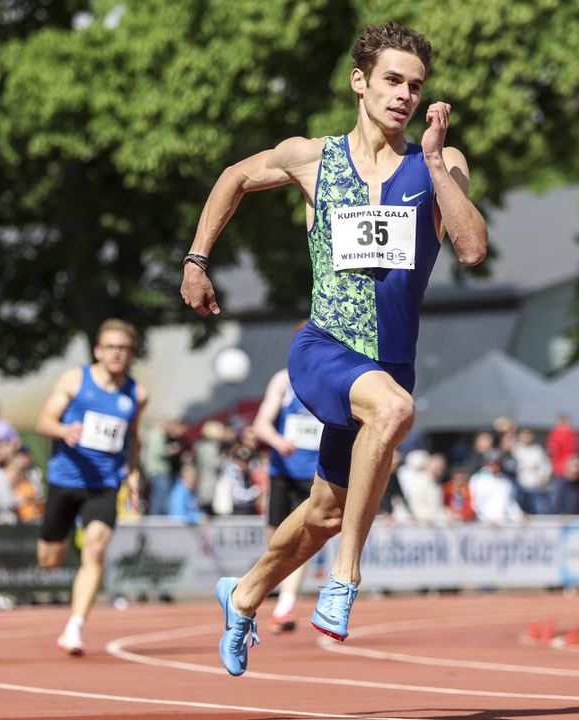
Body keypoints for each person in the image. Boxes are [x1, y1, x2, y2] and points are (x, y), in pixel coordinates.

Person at [179, 21, 487, 676]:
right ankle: (345, 577)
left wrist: (436, 164)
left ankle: (244, 594)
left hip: (389, 366)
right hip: (324, 348)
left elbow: (471, 248)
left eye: (415, 86)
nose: (404, 95)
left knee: (323, 511)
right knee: (394, 410)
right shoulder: (312, 157)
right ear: (359, 82)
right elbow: (233, 176)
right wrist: (197, 260)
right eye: (392, 81)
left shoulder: (440, 162)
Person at [35, 318, 148, 656]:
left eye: (123, 348)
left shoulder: (137, 394)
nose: (116, 353)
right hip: (65, 480)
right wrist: (64, 431)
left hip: (104, 484)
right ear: (98, 351)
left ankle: (74, 627)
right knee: (49, 560)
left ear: (131, 353)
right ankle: (69, 542)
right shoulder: (75, 380)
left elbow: (133, 438)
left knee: (96, 549)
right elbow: (43, 421)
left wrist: (133, 473)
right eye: (110, 347)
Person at [251, 343, 323, 633]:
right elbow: (260, 424)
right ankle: (272, 593)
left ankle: (286, 604)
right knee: (276, 540)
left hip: (314, 475)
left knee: (302, 539)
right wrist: (278, 442)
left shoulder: (332, 382)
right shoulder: (284, 380)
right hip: (282, 472)